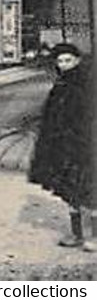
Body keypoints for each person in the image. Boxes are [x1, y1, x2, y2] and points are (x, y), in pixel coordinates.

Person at [28, 43, 93, 250]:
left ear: (77, 61)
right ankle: (77, 235)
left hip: (83, 145)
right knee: (69, 191)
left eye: (68, 61)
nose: (64, 65)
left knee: (89, 190)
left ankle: (93, 238)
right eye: (60, 61)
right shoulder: (60, 85)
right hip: (62, 145)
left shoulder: (87, 85)